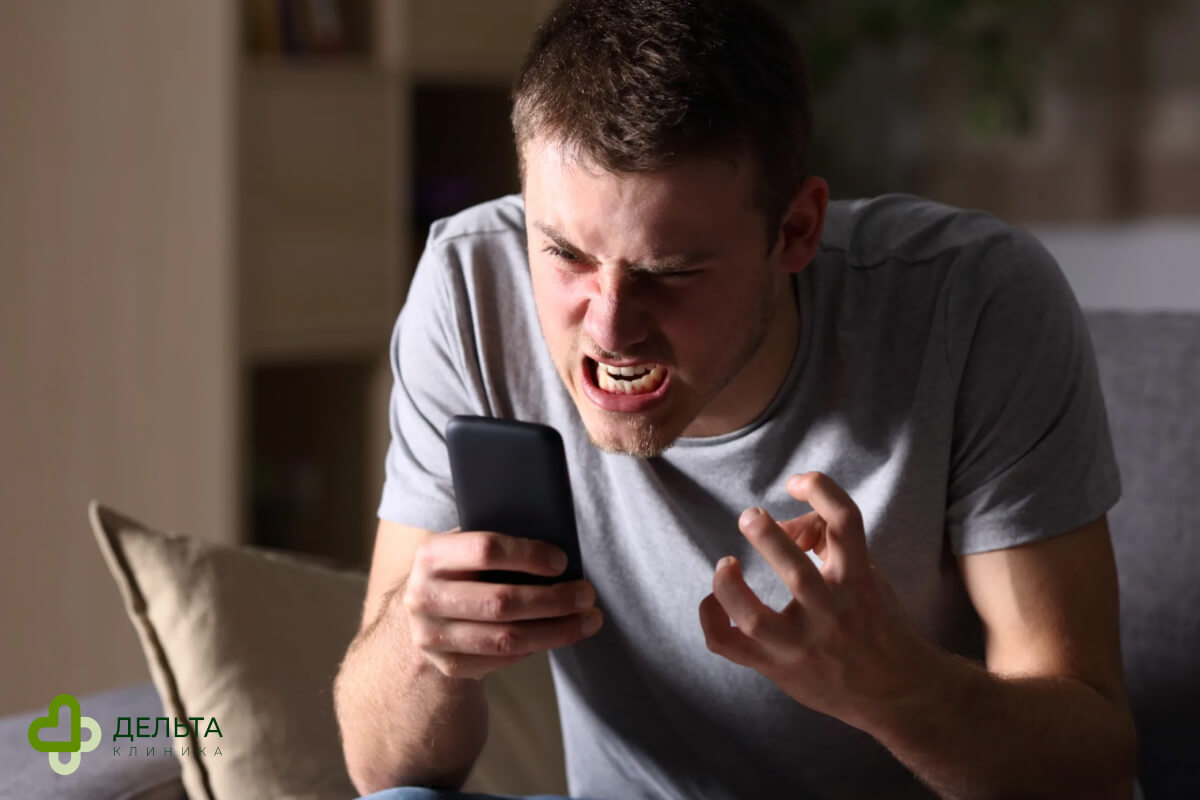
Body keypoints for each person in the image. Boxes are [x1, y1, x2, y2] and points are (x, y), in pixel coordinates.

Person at [333, 1, 1138, 798]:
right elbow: (382, 770)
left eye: (671, 271)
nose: (609, 327)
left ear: (796, 230)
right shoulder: (470, 287)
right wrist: (417, 640)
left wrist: (898, 688)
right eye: (565, 253)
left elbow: (1096, 770)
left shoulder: (976, 303)